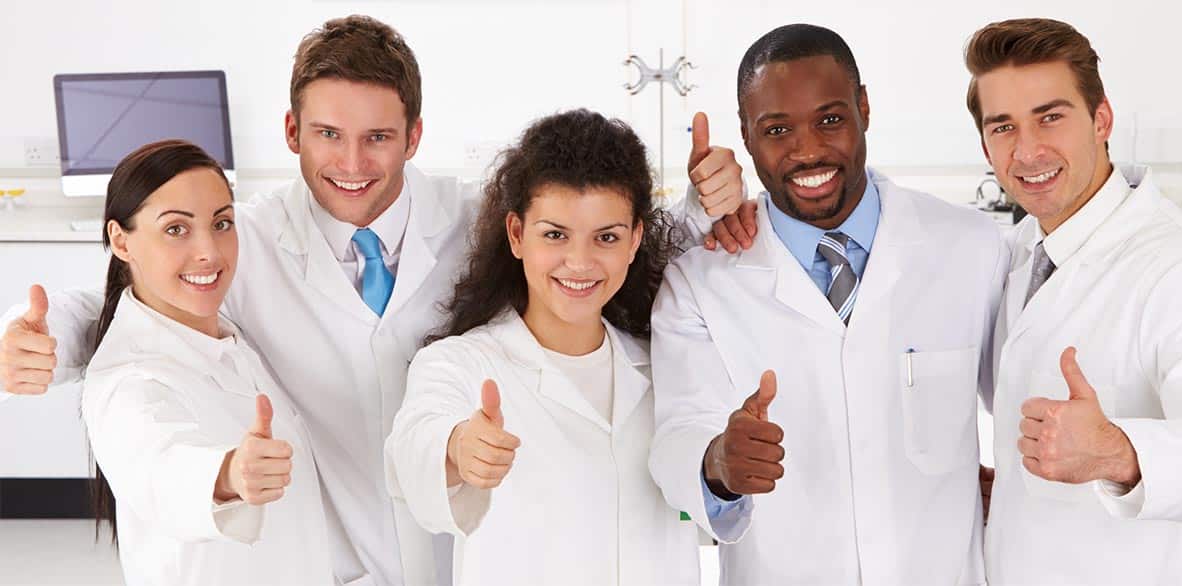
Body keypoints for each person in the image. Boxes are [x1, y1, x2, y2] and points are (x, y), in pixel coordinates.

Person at [0, 15, 746, 585]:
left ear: (415, 135)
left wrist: (708, 206)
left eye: (379, 137)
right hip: (336, 560)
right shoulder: (242, 241)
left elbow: (593, 244)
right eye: (328, 134)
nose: (352, 164)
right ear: (292, 132)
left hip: (462, 551)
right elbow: (137, 292)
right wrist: (50, 342)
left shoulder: (472, 220)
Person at [649, 23, 1007, 585]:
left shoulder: (971, 247)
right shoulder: (700, 281)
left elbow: (1022, 400)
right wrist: (717, 463)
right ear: (745, 135)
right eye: (776, 129)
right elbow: (675, 436)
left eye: (831, 119)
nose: (808, 149)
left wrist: (1009, 492)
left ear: (864, 107)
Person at [964, 18, 1182, 586]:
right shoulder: (1024, 247)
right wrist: (1007, 500)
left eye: (1050, 117)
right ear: (985, 144)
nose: (1027, 151)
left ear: (1101, 120)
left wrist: (1117, 452)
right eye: (1003, 127)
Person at [385, 109, 701, 585]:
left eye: (607, 237)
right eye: (555, 234)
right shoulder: (459, 364)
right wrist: (457, 449)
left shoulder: (662, 367)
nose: (580, 262)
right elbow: (413, 450)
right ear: (517, 235)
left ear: (635, 239)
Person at [81, 139, 334, 585]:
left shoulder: (226, 335)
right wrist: (227, 474)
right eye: (176, 229)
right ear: (121, 240)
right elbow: (158, 465)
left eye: (222, 223)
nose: (210, 253)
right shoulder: (128, 382)